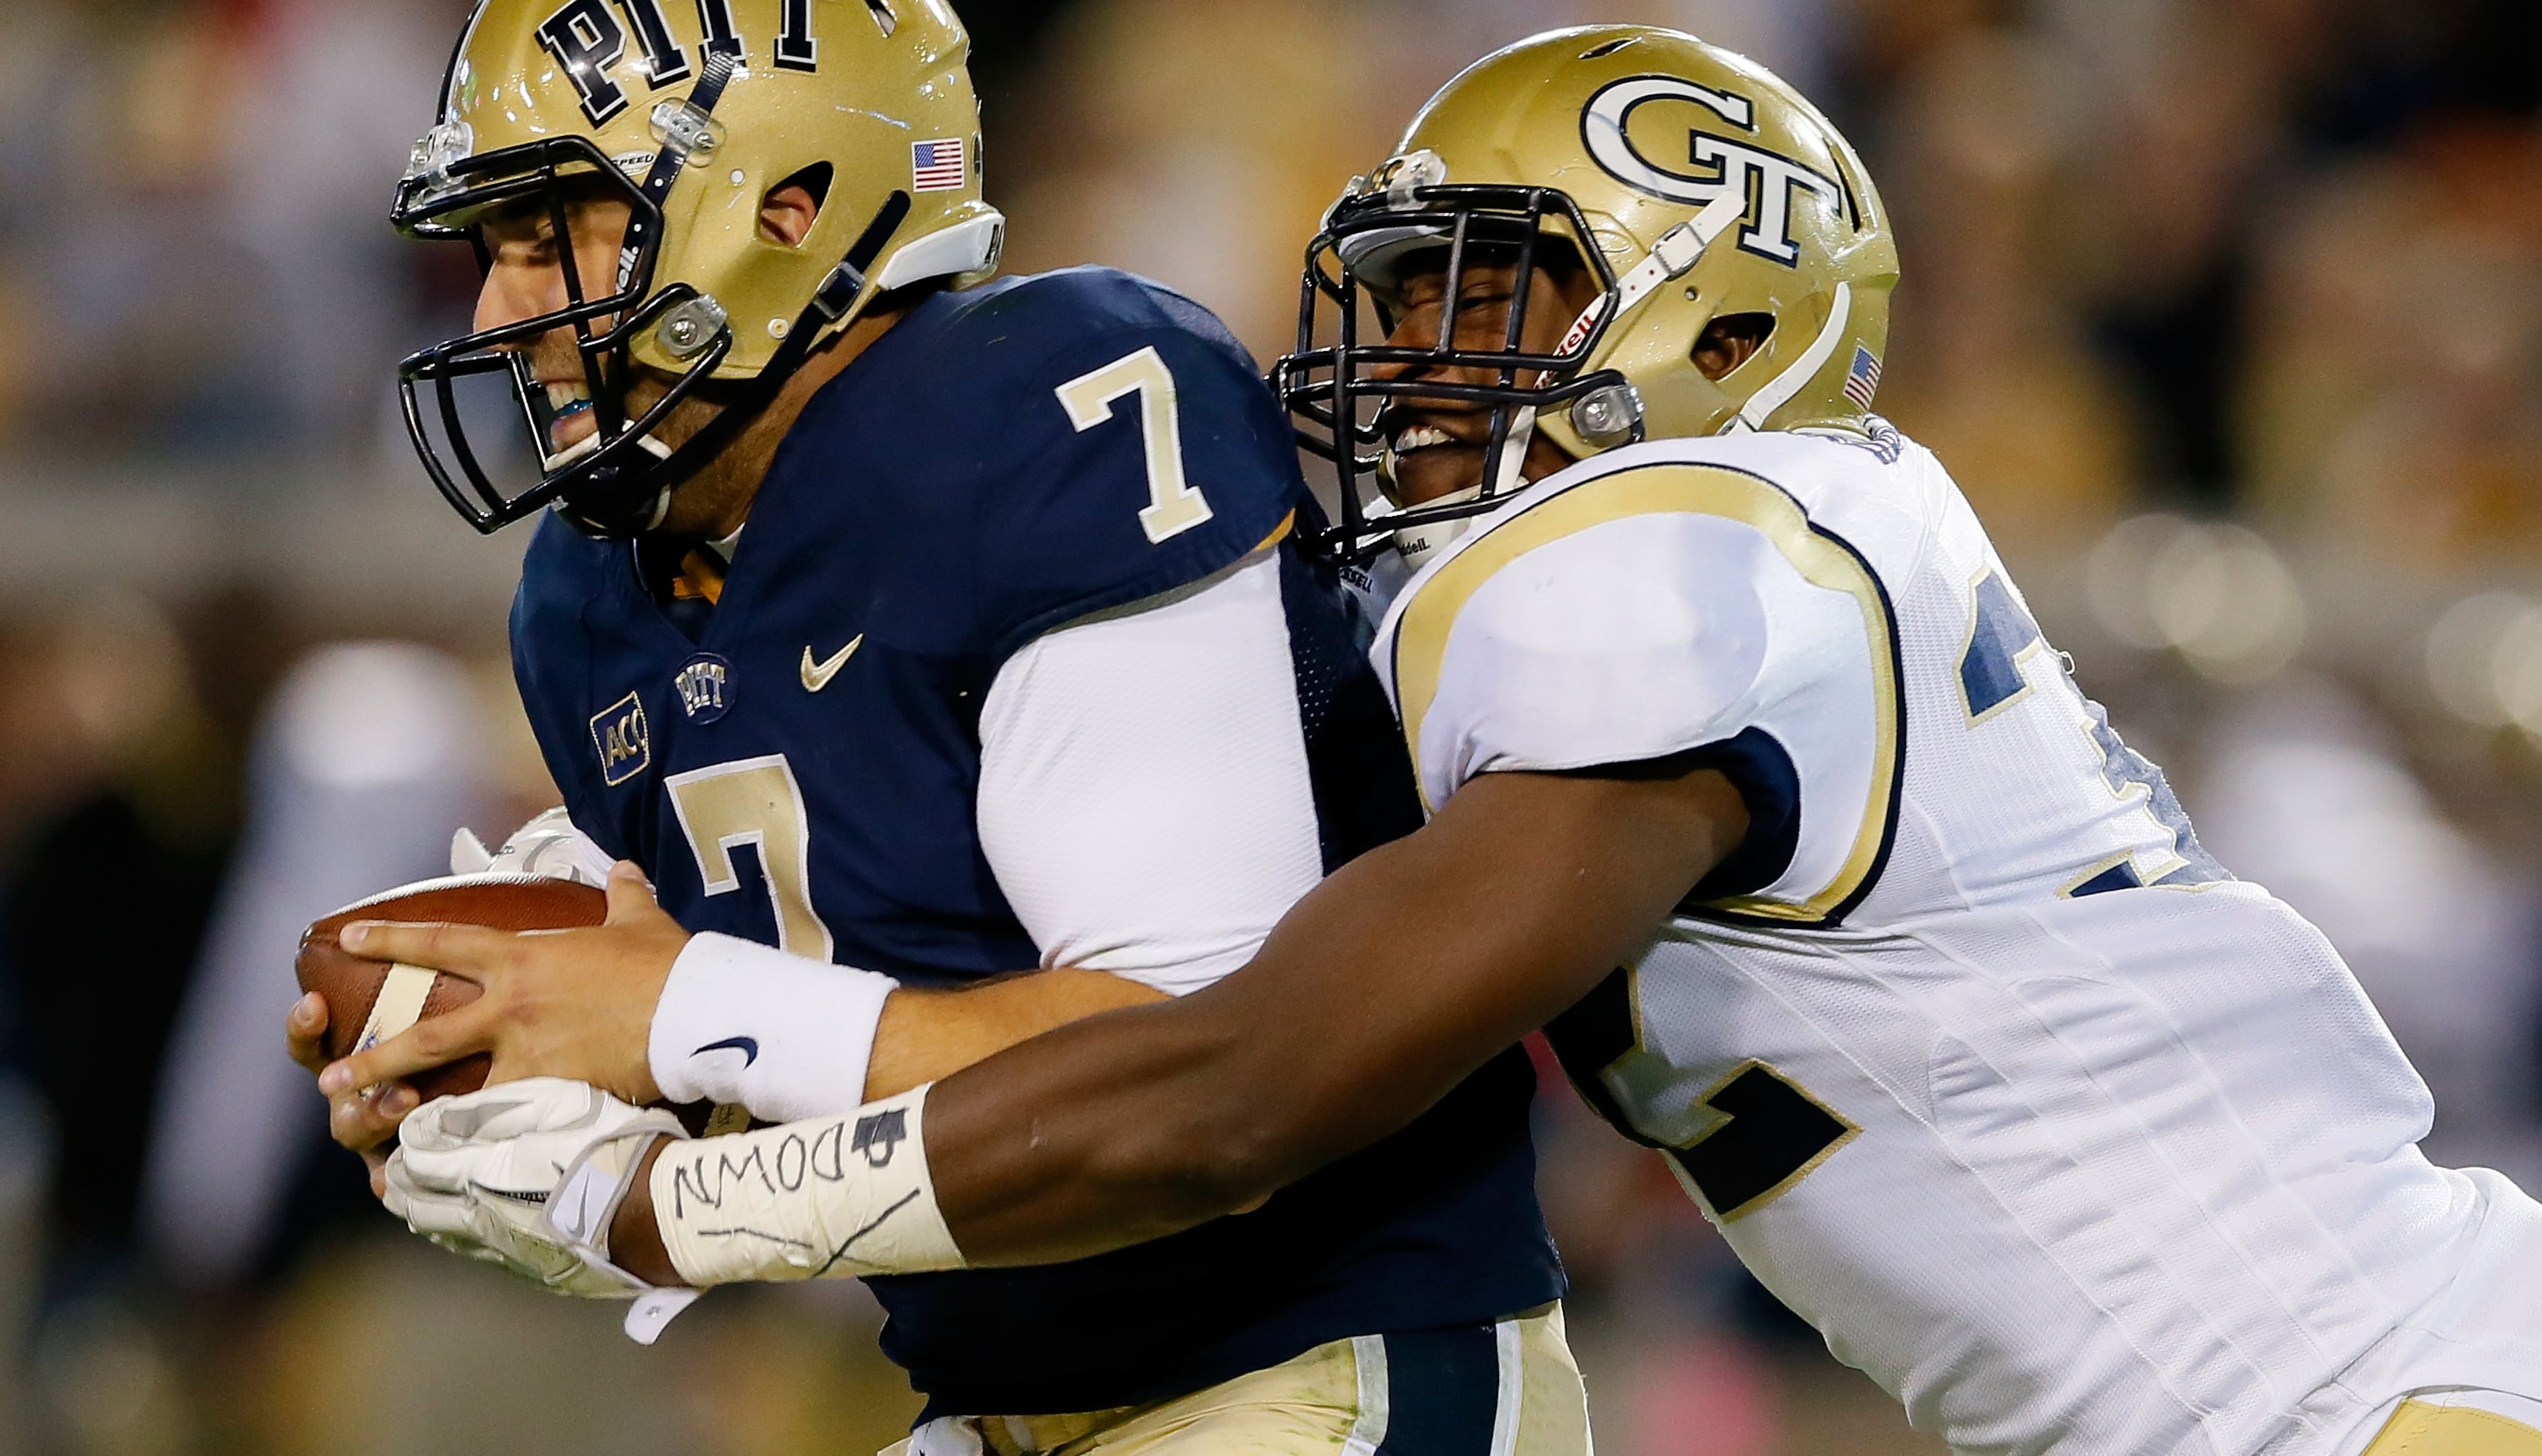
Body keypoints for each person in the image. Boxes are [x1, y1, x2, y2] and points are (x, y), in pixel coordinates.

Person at [333, 24, 2542, 1456]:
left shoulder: (1682, 542)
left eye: (1488, 303)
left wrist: (666, 1174)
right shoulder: (1653, 585)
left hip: (2376, 1398)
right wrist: (603, 956)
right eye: (1396, 300)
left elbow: (1234, 1085)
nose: (1407, 363)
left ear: (1718, 311)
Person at [293, 2, 1585, 1451]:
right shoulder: (588, 592)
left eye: (555, 236)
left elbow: (1193, 1057)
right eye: (494, 252)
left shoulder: (1053, 405)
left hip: (1310, 1364)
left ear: (785, 205)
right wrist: (553, 1103)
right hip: (989, 1401)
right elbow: (845, 1052)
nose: (498, 316)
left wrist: (676, 1037)